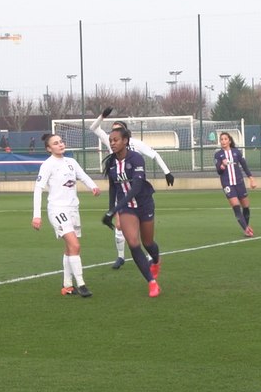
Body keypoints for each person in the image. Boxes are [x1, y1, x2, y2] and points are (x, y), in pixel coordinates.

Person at [90, 107, 173, 269]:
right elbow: (93, 128)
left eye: (117, 130)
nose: (113, 135)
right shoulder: (110, 141)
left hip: (138, 190)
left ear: (125, 135)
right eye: (112, 130)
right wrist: (102, 116)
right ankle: (120, 256)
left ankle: (151, 256)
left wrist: (167, 172)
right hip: (120, 188)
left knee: (144, 232)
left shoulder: (136, 145)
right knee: (119, 224)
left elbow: (154, 154)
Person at [32, 133, 101, 297]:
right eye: (56, 143)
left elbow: (82, 175)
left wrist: (93, 186)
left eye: (61, 141)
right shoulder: (47, 165)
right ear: (49, 148)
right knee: (75, 245)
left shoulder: (71, 162)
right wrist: (36, 215)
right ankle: (81, 284)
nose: (60, 145)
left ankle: (67, 285)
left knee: (70, 248)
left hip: (73, 209)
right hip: (57, 210)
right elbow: (38, 188)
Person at [102, 124, 162, 297]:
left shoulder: (136, 159)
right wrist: (111, 211)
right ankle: (151, 282)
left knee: (148, 243)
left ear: (125, 141)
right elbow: (113, 188)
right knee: (133, 243)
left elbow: (136, 188)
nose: (112, 143)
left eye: (116, 140)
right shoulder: (111, 163)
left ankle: (156, 260)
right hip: (127, 208)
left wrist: (115, 209)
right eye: (110, 140)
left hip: (144, 204)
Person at [214, 131, 257, 236]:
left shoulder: (236, 152)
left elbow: (244, 166)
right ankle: (246, 229)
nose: (223, 141)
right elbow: (219, 171)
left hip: (239, 182)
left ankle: (245, 228)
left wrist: (251, 179)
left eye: (225, 139)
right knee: (236, 206)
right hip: (227, 184)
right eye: (221, 139)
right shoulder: (218, 155)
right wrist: (223, 166)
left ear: (229, 141)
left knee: (246, 207)